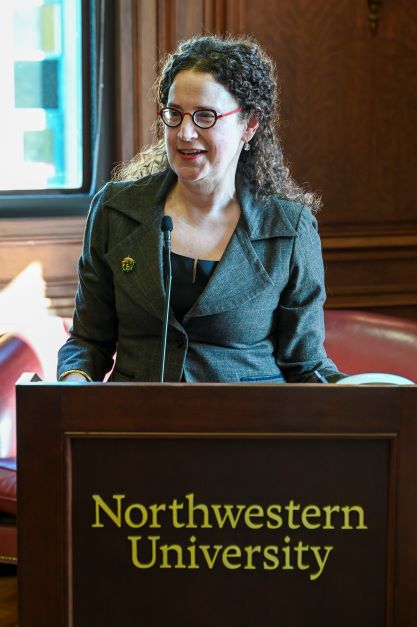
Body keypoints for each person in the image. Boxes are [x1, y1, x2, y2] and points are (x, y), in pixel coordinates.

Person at [57, 34, 343, 383]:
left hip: (249, 429)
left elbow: (306, 365)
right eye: (174, 115)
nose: (185, 133)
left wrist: (363, 398)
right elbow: (88, 341)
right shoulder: (115, 210)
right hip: (135, 426)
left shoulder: (290, 228)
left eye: (205, 116)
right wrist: (73, 382)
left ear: (250, 124)